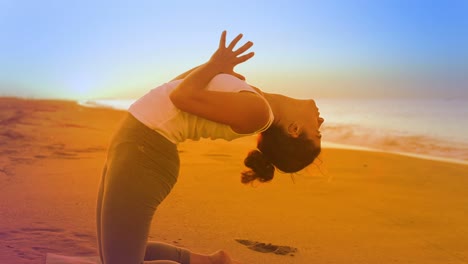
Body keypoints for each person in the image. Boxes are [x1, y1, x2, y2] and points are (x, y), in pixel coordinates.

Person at [96, 31, 324, 264]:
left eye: (317, 132)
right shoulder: (255, 98)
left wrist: (215, 65)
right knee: (115, 253)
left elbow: (181, 96)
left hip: (146, 150)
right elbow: (175, 86)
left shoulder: (258, 112)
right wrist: (213, 66)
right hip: (136, 143)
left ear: (294, 130)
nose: (321, 122)